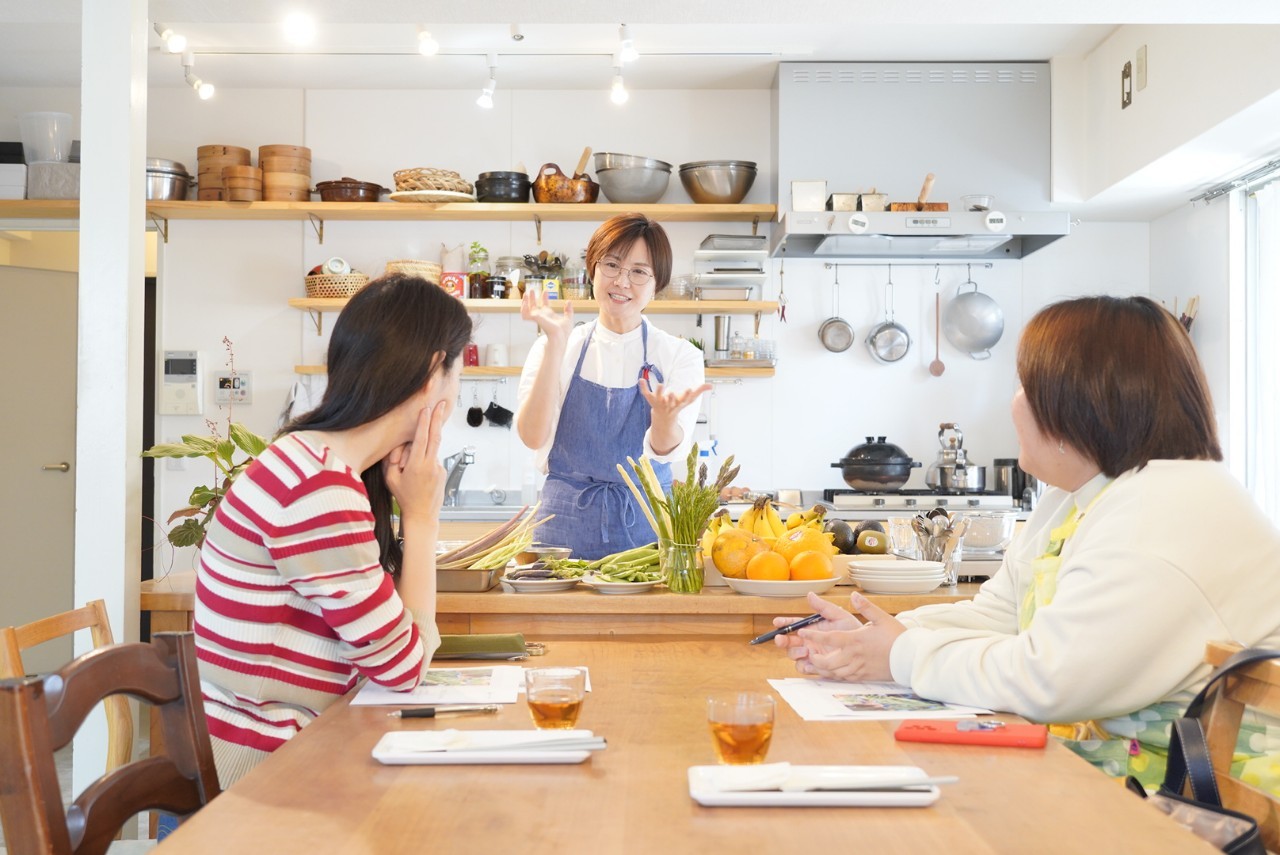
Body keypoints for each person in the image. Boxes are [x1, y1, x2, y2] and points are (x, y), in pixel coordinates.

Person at [774, 295, 1280, 789]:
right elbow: (999, 616)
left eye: (1024, 386)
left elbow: (1050, 679)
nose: (1013, 403)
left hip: (1199, 805)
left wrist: (898, 655)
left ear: (1076, 407)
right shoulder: (1078, 497)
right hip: (1114, 777)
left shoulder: (1166, 509)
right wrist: (868, 637)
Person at [194, 273, 471, 787]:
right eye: (458, 371)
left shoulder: (306, 459)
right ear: (434, 374)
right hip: (260, 779)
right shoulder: (318, 491)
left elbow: (383, 652)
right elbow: (404, 670)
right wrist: (423, 516)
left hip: (281, 752)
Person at [516, 214, 711, 559]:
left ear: (656, 284)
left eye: (638, 271)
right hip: (559, 535)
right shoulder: (556, 344)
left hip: (647, 536)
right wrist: (555, 345)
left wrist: (664, 419)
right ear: (593, 269)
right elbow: (532, 436)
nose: (622, 281)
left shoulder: (680, 356)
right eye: (612, 265)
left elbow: (665, 448)